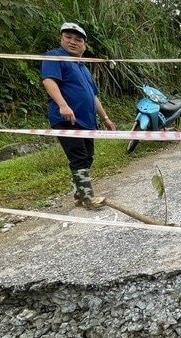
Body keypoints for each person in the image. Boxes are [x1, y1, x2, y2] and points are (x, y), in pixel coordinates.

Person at [40, 22, 117, 209]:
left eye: (78, 39)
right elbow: (49, 81)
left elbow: (93, 96)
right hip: (67, 119)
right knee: (79, 157)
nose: (73, 42)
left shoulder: (83, 67)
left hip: (86, 122)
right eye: (68, 37)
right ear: (61, 39)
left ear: (84, 45)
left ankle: (78, 195)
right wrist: (63, 105)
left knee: (88, 156)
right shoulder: (55, 57)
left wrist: (106, 118)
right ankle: (88, 198)